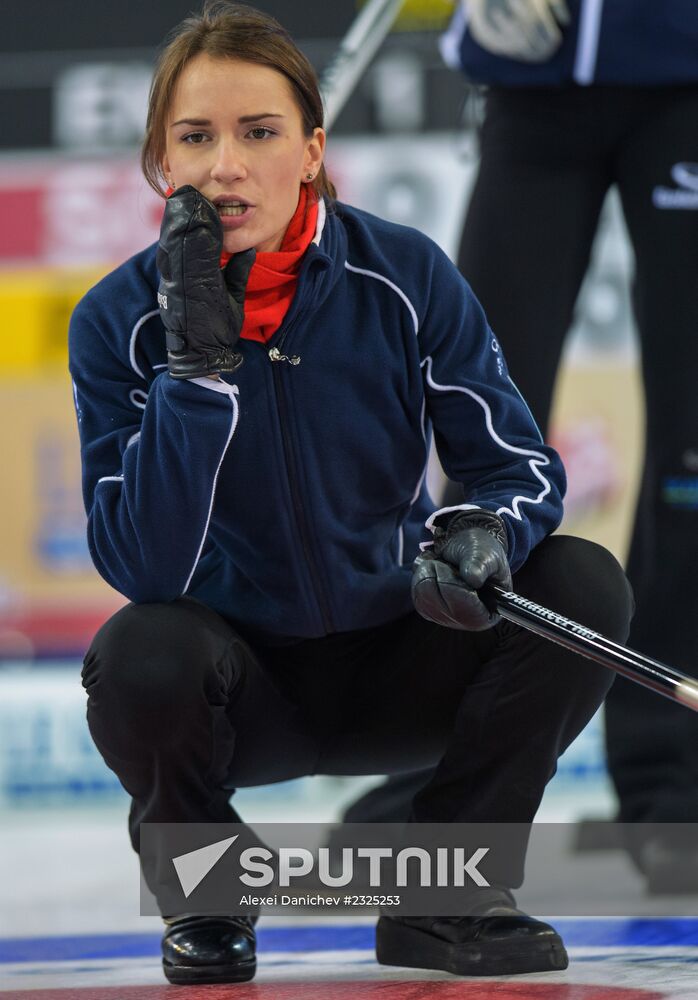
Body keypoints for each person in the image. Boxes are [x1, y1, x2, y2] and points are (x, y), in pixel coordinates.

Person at [69, 1, 633, 986]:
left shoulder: (403, 273)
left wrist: (486, 533)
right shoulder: (117, 321)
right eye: (194, 137)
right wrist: (195, 377)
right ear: (162, 161)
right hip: (244, 687)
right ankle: (207, 895)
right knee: (137, 653)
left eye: (259, 133)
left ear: (312, 150)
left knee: (577, 581)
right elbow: (141, 566)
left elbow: (517, 465)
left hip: (401, 644)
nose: (225, 167)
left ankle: (444, 894)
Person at [343, 0, 698, 895]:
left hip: (687, 73)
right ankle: (438, 765)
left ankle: (674, 785)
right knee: (475, 431)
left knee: (693, 460)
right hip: (529, 76)